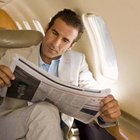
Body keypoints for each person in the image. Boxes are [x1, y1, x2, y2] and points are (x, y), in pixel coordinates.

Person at [0, 9, 121, 140]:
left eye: (65, 40)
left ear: (71, 46)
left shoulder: (78, 62)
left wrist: (107, 111)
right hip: (11, 124)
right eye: (54, 33)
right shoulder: (14, 55)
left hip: (50, 131)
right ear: (46, 29)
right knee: (46, 110)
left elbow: (94, 94)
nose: (55, 43)